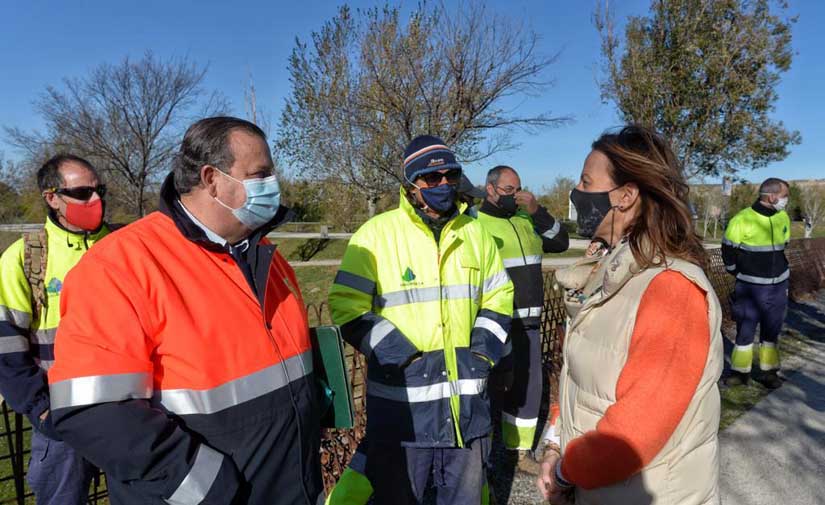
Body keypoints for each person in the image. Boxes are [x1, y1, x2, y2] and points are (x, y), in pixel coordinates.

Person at [47, 117, 322, 504]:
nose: (273, 185)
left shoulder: (268, 258)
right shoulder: (121, 265)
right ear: (212, 179)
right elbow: (92, 410)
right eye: (260, 174)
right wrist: (209, 488)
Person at [536, 125, 723, 505]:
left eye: (586, 182)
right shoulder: (610, 273)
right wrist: (557, 446)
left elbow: (634, 432)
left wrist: (565, 473)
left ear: (625, 196)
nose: (577, 193)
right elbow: (581, 385)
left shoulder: (671, 289)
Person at [328, 135, 514, 505]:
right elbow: (347, 305)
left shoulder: (477, 234)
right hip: (404, 414)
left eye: (451, 175)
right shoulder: (376, 235)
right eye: (432, 178)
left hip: (466, 414)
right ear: (411, 185)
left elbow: (499, 296)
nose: (443, 184)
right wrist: (401, 356)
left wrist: (481, 354)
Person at [0, 154, 110, 505]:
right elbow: (6, 347)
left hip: (133, 413)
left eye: (99, 190)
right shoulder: (23, 258)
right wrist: (43, 411)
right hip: (63, 421)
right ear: (52, 197)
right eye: (82, 192)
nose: (95, 201)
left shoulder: (124, 246)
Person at [476, 165, 568, 469]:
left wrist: (537, 210)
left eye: (518, 189)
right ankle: (482, 458)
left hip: (529, 321)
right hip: (495, 321)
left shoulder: (526, 217)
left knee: (528, 386)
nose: (516, 196)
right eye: (508, 190)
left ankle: (519, 453)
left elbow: (560, 242)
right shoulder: (476, 223)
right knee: (490, 388)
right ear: (490, 189)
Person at [722, 178, 791, 389]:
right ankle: (739, 374)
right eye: (785, 196)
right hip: (750, 288)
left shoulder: (783, 217)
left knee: (772, 330)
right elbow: (728, 250)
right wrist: (737, 272)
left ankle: (769, 373)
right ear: (772, 197)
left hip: (778, 286)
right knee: (745, 330)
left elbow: (784, 245)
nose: (786, 201)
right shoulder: (742, 219)